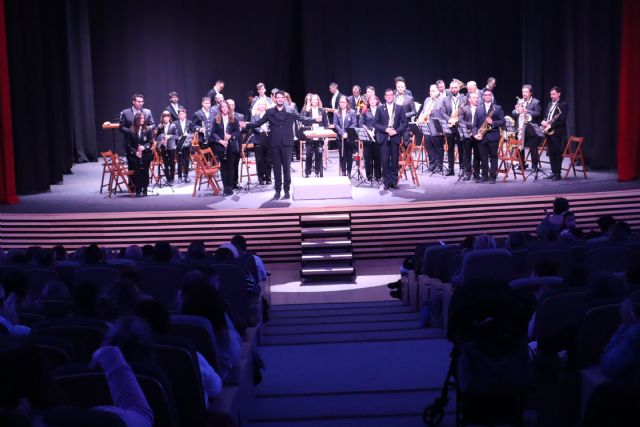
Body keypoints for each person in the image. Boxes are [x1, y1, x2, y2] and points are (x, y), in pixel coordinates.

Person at [241, 91, 321, 200]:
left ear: (284, 99)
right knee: (277, 169)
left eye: (281, 97)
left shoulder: (291, 110)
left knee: (286, 169)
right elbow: (259, 123)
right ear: (275, 99)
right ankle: (277, 191)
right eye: (277, 97)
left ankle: (287, 190)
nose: (279, 99)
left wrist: (314, 119)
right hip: (274, 144)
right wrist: (246, 125)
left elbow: (303, 119)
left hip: (287, 144)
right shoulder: (269, 112)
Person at [373, 88, 408, 190]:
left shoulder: (399, 108)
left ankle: (394, 182)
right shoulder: (380, 108)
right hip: (384, 138)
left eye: (391, 95)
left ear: (393, 96)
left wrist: (396, 131)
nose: (389, 97)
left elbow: (405, 123)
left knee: (394, 161)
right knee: (384, 161)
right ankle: (386, 182)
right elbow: (375, 123)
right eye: (387, 95)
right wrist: (386, 129)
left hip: (395, 137)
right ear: (384, 97)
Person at [473, 89, 505, 183]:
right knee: (483, 157)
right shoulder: (478, 108)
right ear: (483, 96)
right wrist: (475, 134)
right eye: (485, 95)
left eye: (489, 95)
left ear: (491, 96)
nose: (487, 96)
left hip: (493, 136)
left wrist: (493, 122)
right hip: (481, 136)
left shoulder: (497, 108)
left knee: (493, 157)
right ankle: (484, 175)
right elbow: (474, 125)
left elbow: (503, 121)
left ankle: (493, 176)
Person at [211, 100, 240, 196]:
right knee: (223, 168)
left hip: (230, 146)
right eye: (222, 107)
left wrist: (231, 136)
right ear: (220, 108)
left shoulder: (234, 119)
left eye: (226, 107)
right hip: (220, 146)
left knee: (231, 167)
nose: (224, 108)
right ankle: (225, 187)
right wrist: (220, 141)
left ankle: (230, 187)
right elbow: (213, 133)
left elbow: (237, 132)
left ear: (228, 108)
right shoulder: (216, 119)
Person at [512, 85, 542, 171]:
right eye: (523, 92)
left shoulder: (536, 102)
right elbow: (513, 112)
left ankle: (534, 166)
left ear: (530, 93)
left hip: (530, 128)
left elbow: (538, 114)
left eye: (526, 92)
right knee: (520, 147)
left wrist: (527, 111)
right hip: (520, 128)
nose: (524, 94)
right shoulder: (520, 101)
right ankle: (522, 165)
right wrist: (517, 110)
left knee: (533, 148)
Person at [418, 84, 446, 173]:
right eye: (430, 91)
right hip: (426, 127)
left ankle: (439, 166)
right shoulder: (427, 100)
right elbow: (423, 110)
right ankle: (432, 165)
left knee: (438, 148)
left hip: (436, 127)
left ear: (438, 91)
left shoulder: (443, 100)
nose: (431, 92)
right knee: (429, 147)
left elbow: (443, 113)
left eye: (433, 91)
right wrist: (420, 117)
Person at [541, 86, 568, 180]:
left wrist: (550, 126)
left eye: (553, 94)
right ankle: (553, 172)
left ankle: (558, 173)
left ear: (559, 94)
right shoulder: (549, 104)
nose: (551, 96)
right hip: (549, 132)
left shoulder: (563, 104)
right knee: (551, 152)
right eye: (551, 94)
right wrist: (544, 121)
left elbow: (562, 120)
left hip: (557, 132)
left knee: (557, 153)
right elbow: (546, 116)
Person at [124, 112, 153, 197]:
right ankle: (138, 189)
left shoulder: (147, 129)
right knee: (137, 173)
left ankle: (145, 189)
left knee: (145, 172)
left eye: (143, 118)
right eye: (141, 118)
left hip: (145, 155)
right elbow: (128, 145)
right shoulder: (130, 130)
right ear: (137, 119)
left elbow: (150, 142)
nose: (143, 120)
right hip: (135, 156)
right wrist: (135, 152)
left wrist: (144, 147)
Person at [442, 80, 467, 175]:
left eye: (456, 87)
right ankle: (451, 169)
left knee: (461, 148)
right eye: (452, 88)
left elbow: (466, 111)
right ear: (449, 88)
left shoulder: (464, 98)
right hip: (450, 126)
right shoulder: (445, 99)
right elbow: (443, 112)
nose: (454, 89)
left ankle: (462, 168)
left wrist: (458, 119)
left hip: (460, 126)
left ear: (459, 88)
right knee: (450, 149)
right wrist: (450, 120)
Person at [300, 94, 329, 177]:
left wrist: (326, 136)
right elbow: (303, 121)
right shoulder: (307, 111)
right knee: (308, 154)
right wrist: (307, 110)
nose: (315, 101)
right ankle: (307, 172)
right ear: (311, 101)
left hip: (319, 136)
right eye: (313, 100)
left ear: (318, 101)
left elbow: (326, 124)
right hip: (309, 136)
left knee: (318, 154)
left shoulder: (322, 111)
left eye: (316, 99)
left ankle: (317, 171)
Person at [333, 95, 358, 177]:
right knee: (342, 154)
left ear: (347, 103)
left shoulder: (352, 112)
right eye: (340, 102)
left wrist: (347, 133)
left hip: (349, 137)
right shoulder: (336, 112)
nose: (342, 104)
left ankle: (349, 172)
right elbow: (336, 124)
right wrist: (342, 133)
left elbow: (354, 124)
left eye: (344, 102)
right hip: (340, 137)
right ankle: (343, 171)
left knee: (349, 154)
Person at [251, 99, 273, 185]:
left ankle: (268, 177)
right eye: (260, 104)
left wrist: (268, 129)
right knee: (259, 160)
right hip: (258, 139)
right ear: (257, 106)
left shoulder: (269, 114)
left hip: (268, 139)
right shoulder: (254, 115)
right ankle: (261, 178)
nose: (262, 106)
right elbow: (253, 125)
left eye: (263, 104)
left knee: (268, 160)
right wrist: (261, 130)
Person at [458, 91, 479, 180]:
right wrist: (472, 124)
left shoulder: (480, 108)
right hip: (467, 135)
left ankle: (476, 173)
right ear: (469, 99)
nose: (476, 99)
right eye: (474, 98)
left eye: (477, 97)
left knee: (478, 155)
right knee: (467, 155)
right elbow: (460, 121)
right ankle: (467, 173)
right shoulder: (464, 109)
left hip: (478, 134)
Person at [362, 94, 382, 182]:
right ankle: (369, 176)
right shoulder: (365, 111)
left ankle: (378, 176)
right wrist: (368, 131)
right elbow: (361, 123)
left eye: (374, 100)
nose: (372, 101)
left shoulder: (381, 110)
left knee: (377, 157)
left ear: (377, 101)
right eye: (370, 100)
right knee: (367, 157)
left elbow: (383, 123)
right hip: (367, 137)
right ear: (368, 102)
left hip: (378, 137)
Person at [155, 110, 178, 184]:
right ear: (162, 117)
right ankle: (168, 178)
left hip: (171, 147)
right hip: (163, 147)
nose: (166, 118)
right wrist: (161, 138)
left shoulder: (173, 125)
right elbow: (156, 137)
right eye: (164, 117)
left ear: (169, 118)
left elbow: (177, 136)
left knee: (172, 163)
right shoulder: (159, 126)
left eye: (167, 117)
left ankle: (172, 178)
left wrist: (169, 136)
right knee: (165, 163)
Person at [174, 108, 194, 183]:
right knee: (179, 160)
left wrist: (188, 136)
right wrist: (178, 137)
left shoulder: (189, 122)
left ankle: (186, 175)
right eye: (180, 114)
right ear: (178, 115)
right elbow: (173, 134)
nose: (182, 115)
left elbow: (192, 131)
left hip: (187, 144)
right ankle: (179, 176)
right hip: (179, 144)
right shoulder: (175, 123)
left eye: (183, 114)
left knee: (186, 160)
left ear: (185, 115)